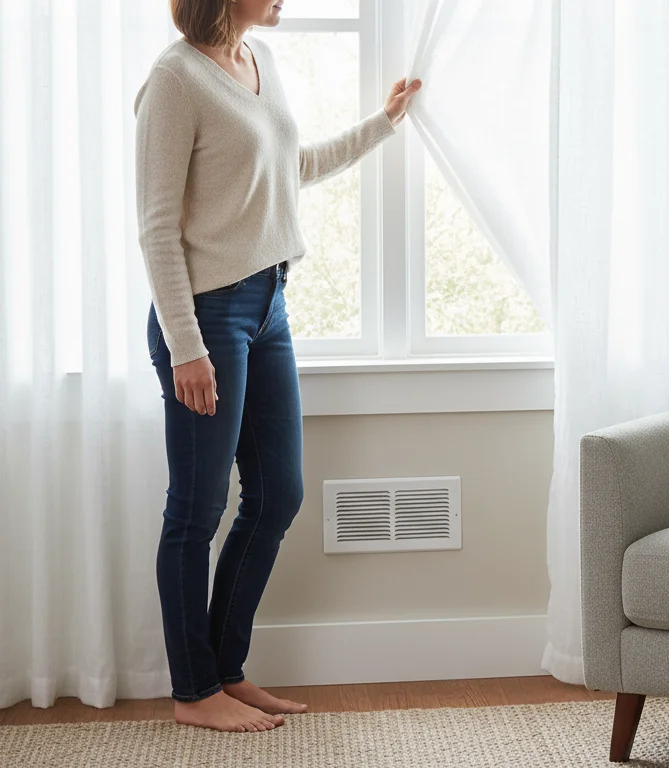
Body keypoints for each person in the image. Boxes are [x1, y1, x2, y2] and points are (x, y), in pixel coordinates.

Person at [134, 0, 420, 733]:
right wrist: (188, 346)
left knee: (278, 495)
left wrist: (383, 125)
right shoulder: (174, 81)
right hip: (205, 319)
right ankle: (193, 692)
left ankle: (226, 672)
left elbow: (293, 168)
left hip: (268, 306)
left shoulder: (258, 62)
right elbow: (157, 229)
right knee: (195, 512)